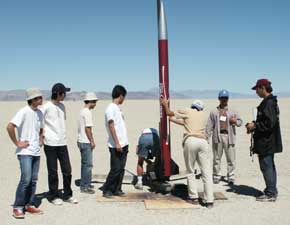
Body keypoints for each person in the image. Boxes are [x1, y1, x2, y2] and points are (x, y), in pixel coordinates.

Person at [161, 96, 214, 208]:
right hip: (203, 142)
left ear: (192, 106)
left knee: (190, 170)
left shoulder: (187, 111)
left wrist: (165, 105)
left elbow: (170, 113)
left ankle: (193, 197)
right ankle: (209, 200)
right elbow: (187, 123)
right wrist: (173, 120)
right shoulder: (204, 115)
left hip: (191, 141)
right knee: (206, 173)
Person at [7, 88, 44, 219]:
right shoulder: (23, 111)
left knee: (33, 180)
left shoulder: (40, 112)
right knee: (26, 179)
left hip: (36, 151)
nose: (41, 99)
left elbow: (41, 128)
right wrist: (17, 143)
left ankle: (29, 204)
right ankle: (18, 207)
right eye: (39, 97)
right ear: (33, 100)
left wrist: (41, 138)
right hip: (25, 152)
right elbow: (10, 126)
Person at [246, 79, 282, 202]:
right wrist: (255, 124)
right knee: (269, 166)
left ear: (262, 88)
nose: (256, 92)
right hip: (267, 141)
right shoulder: (268, 102)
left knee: (267, 166)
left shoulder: (269, 103)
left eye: (257, 89)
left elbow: (270, 123)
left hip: (267, 142)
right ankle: (271, 190)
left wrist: (254, 126)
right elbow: (266, 121)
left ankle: (271, 193)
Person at [42, 83, 78, 205]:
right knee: (53, 171)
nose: (65, 96)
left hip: (62, 143)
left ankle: (67, 195)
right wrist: (41, 137)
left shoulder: (62, 106)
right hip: (50, 143)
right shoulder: (45, 107)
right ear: (57, 93)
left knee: (67, 170)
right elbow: (39, 124)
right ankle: (53, 196)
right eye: (64, 93)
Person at [206, 89, 242, 185]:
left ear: (228, 99)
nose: (224, 100)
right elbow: (209, 125)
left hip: (229, 137)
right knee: (217, 158)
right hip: (217, 137)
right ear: (219, 98)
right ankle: (216, 175)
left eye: (225, 98)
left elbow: (240, 122)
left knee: (231, 158)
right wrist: (206, 137)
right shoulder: (214, 111)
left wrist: (235, 121)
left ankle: (230, 176)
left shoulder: (233, 111)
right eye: (222, 98)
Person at [102, 85, 129, 198]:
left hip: (124, 143)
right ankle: (107, 189)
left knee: (121, 169)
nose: (124, 99)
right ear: (121, 95)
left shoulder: (117, 108)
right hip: (115, 144)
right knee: (115, 169)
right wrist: (117, 142)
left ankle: (117, 189)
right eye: (124, 97)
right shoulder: (110, 108)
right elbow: (111, 125)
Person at [77, 92, 98, 194]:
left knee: (84, 164)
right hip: (85, 142)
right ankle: (85, 186)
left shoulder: (82, 111)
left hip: (81, 140)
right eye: (95, 102)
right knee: (88, 165)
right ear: (91, 101)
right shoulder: (87, 112)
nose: (95, 104)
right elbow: (88, 129)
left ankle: (86, 182)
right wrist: (92, 141)